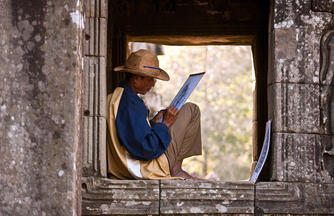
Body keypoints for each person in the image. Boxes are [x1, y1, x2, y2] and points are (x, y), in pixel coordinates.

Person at [106, 49, 202, 180]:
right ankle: (176, 169)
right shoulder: (132, 104)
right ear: (135, 79)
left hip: (122, 166)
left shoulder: (116, 96)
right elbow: (147, 149)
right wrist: (165, 124)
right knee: (191, 110)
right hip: (143, 168)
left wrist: (153, 124)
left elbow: (132, 135)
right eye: (150, 79)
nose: (153, 84)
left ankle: (175, 168)